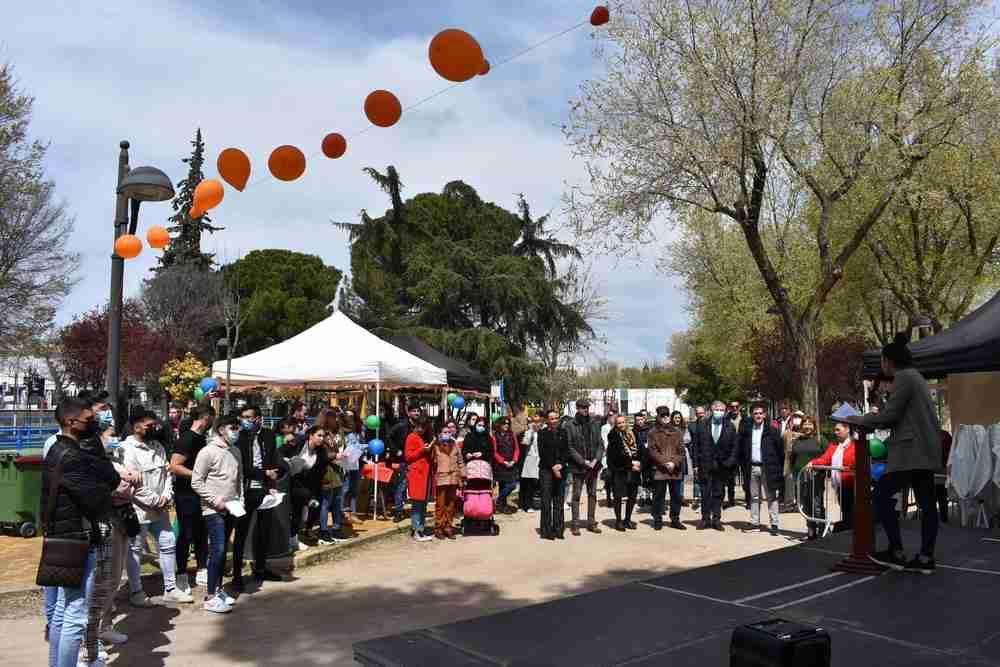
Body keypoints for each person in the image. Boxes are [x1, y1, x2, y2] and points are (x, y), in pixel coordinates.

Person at [43, 398, 120, 667]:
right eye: (88, 421)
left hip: (67, 535)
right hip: (76, 538)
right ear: (70, 422)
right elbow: (98, 497)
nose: (94, 425)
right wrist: (105, 480)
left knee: (65, 612)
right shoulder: (72, 455)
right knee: (75, 615)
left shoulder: (61, 450)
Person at [862, 333, 942, 574]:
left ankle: (896, 551)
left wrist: (862, 418)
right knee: (928, 504)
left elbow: (890, 417)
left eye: (883, 361)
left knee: (881, 495)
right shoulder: (915, 377)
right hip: (924, 450)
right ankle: (926, 557)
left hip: (910, 452)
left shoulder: (904, 378)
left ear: (888, 361)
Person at [123, 410, 192, 605]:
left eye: (155, 424)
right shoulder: (127, 449)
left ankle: (170, 588)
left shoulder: (158, 447)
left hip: (160, 509)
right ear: (136, 426)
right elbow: (132, 484)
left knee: (168, 543)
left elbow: (167, 475)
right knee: (135, 549)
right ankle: (136, 591)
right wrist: (156, 500)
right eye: (149, 425)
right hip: (138, 510)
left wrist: (166, 496)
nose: (154, 428)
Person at [192, 416, 243, 613]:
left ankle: (219, 589)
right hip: (213, 509)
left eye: (237, 427)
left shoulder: (236, 451)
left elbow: (239, 480)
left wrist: (240, 500)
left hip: (232, 507)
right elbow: (196, 482)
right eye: (233, 427)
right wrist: (215, 501)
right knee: (218, 550)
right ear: (221, 429)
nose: (236, 431)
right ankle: (210, 596)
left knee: (223, 554)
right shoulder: (207, 452)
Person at [231, 406, 283, 587]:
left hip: (265, 490)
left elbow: (274, 458)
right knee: (241, 532)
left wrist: (277, 472)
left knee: (264, 530)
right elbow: (241, 467)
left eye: (248, 417)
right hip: (245, 490)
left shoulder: (268, 435)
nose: (244, 420)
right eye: (242, 417)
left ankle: (261, 568)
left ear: (258, 419)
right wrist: (264, 473)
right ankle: (237, 574)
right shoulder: (239, 437)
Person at [169, 405, 215, 597]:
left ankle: (202, 568)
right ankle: (181, 573)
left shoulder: (202, 438)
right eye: (212, 418)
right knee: (185, 534)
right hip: (186, 494)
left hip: (201, 493)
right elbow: (174, 466)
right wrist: (197, 476)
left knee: (201, 531)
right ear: (205, 418)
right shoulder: (187, 439)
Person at [737, 404, 784, 535]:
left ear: (764, 415)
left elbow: (780, 451)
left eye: (760, 413)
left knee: (771, 497)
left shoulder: (773, 431)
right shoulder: (747, 430)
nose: (758, 415)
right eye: (755, 413)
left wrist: (778, 469)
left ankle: (774, 524)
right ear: (752, 415)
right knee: (754, 496)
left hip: (768, 468)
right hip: (752, 467)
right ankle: (754, 522)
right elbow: (741, 449)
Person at [692, 400, 738, 531]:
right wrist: (695, 464)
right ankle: (705, 519)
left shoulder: (730, 426)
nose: (719, 412)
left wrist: (729, 462)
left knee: (718, 493)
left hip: (722, 466)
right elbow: (696, 446)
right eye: (716, 409)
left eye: (721, 410)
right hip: (705, 464)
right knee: (705, 492)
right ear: (711, 410)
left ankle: (716, 519)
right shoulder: (702, 424)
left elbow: (735, 447)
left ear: (725, 412)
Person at [564, 399, 605, 536]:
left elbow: (600, 444)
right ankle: (575, 524)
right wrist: (583, 461)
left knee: (592, 494)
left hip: (593, 466)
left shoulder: (594, 423)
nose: (585, 409)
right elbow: (569, 447)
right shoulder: (570, 425)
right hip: (578, 466)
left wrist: (595, 459)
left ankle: (591, 522)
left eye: (587, 407)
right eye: (582, 407)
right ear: (577, 408)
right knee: (576, 495)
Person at [807, 422, 856, 533]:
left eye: (838, 430)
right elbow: (825, 459)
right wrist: (813, 462)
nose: (835, 432)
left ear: (847, 429)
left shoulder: (855, 445)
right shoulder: (834, 446)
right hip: (841, 486)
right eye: (835, 430)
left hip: (853, 485)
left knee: (851, 512)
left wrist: (849, 468)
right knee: (845, 510)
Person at [288, 424, 329, 551]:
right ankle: (290, 540)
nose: (321, 438)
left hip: (308, 486)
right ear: (311, 435)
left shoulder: (321, 451)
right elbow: (283, 452)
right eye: (319, 435)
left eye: (323, 436)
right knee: (294, 512)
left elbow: (321, 471)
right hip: (291, 482)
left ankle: (294, 539)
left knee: (302, 514)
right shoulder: (298, 443)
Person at [647, 406, 686, 530]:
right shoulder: (652, 432)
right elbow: (652, 451)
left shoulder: (677, 432)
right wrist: (665, 463)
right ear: (658, 416)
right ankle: (657, 519)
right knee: (658, 496)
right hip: (659, 470)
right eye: (662, 415)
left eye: (667, 415)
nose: (665, 418)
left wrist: (674, 463)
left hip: (675, 470)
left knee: (676, 496)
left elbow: (682, 451)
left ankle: (675, 519)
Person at [789, 416, 825, 539]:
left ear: (814, 427)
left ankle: (822, 530)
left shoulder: (820, 440)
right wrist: (794, 475)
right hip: (800, 477)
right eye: (805, 424)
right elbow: (792, 459)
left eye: (810, 424)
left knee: (817, 505)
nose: (807, 426)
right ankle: (811, 530)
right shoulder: (797, 441)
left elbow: (828, 456)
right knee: (806, 505)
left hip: (816, 478)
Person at [538, 409, 570, 540]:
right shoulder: (542, 433)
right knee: (546, 501)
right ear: (547, 420)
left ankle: (558, 529)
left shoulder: (563, 432)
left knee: (559, 500)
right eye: (551, 418)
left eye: (556, 418)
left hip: (561, 469)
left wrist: (561, 465)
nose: (554, 421)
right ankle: (546, 530)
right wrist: (553, 467)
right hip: (547, 470)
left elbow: (566, 451)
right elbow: (543, 453)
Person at [606, 415, 641, 531]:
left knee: (632, 495)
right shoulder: (613, 436)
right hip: (619, 469)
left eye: (623, 422)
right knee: (618, 496)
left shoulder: (632, 434)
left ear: (626, 423)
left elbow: (639, 449)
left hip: (633, 469)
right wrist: (632, 464)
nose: (621, 425)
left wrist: (639, 462)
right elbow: (617, 455)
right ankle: (618, 521)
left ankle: (627, 519)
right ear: (616, 424)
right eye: (619, 423)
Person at [388, 403, 421, 523]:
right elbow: (389, 437)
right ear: (409, 413)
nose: (416, 413)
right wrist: (396, 450)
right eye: (414, 411)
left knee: (410, 486)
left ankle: (413, 510)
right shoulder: (401, 425)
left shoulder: (419, 426)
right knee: (401, 486)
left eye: (418, 411)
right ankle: (398, 511)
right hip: (402, 461)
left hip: (415, 460)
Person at [404, 416, 435, 541]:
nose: (421, 429)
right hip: (417, 474)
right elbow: (408, 456)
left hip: (425, 473)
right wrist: (423, 449)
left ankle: (420, 529)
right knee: (417, 504)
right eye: (419, 427)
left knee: (423, 504)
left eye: (423, 427)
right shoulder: (411, 437)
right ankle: (417, 530)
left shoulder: (421, 437)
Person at [432, 425, 465, 540]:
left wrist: (463, 474)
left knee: (451, 505)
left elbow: (460, 461)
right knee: (440, 505)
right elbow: (432, 462)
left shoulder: (455, 445)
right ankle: (438, 527)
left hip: (453, 478)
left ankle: (448, 527)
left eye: (449, 432)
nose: (447, 434)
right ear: (440, 434)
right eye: (445, 432)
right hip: (441, 478)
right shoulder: (435, 446)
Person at [339, 410, 365, 524]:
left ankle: (353, 513)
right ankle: (343, 514)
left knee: (354, 489)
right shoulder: (342, 433)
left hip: (358, 462)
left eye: (351, 416)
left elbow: (359, 445)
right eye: (347, 416)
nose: (349, 418)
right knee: (345, 489)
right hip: (347, 463)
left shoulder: (358, 432)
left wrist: (364, 447)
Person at [493, 417, 521, 513]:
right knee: (502, 486)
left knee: (512, 485)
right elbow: (495, 452)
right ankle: (502, 506)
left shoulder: (512, 435)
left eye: (508, 424)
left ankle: (498, 500)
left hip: (511, 464)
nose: (506, 425)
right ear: (499, 425)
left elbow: (516, 449)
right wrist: (503, 461)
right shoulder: (495, 436)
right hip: (501, 465)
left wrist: (514, 460)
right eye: (504, 424)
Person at [727, 400, 750, 509]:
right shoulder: (726, 419)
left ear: (739, 407)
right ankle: (731, 500)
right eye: (732, 407)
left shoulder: (746, 419)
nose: (734, 408)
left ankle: (748, 501)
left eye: (736, 406)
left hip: (744, 452)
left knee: (747, 477)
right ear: (730, 408)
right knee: (730, 478)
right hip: (731, 452)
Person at [519, 413, 542, 513]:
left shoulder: (542, 432)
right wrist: (531, 431)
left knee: (537, 483)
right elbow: (525, 442)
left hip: (540, 460)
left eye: (538, 422)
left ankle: (534, 503)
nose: (536, 424)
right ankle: (526, 505)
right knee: (528, 484)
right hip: (529, 461)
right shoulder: (528, 432)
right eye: (534, 421)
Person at [632, 411, 653, 507]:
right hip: (638, 457)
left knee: (648, 478)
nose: (639, 422)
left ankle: (648, 497)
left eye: (641, 419)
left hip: (649, 457)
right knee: (638, 478)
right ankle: (641, 496)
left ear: (644, 419)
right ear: (635, 421)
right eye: (637, 420)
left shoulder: (650, 429)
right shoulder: (633, 431)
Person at [687, 406, 705, 510]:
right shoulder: (692, 426)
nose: (701, 414)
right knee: (696, 477)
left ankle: (705, 498)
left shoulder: (709, 424)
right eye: (699, 413)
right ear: (696, 414)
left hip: (707, 455)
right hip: (695, 454)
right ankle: (696, 498)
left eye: (702, 413)